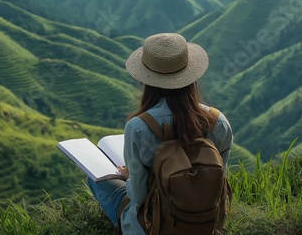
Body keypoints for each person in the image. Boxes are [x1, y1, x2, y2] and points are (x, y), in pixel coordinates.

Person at [87, 33, 233, 235]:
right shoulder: (218, 121)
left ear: (146, 81)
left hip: (153, 226)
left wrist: (131, 178)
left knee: (97, 181)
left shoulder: (138, 127)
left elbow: (139, 196)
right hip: (205, 224)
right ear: (191, 77)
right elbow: (219, 181)